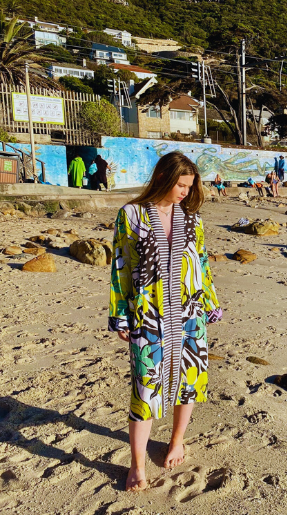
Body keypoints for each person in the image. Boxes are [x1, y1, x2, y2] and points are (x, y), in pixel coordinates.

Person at [109, 151, 222, 492]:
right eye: (181, 185)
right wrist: (120, 314)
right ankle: (137, 465)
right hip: (149, 316)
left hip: (190, 314)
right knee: (145, 388)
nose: (186, 192)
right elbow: (120, 267)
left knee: (188, 381)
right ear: (162, 178)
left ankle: (176, 442)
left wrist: (211, 303)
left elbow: (201, 264)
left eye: (190, 186)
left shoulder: (193, 219)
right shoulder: (131, 215)